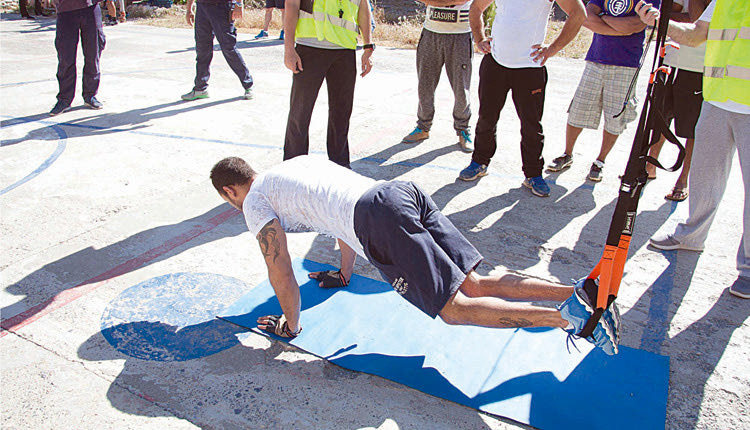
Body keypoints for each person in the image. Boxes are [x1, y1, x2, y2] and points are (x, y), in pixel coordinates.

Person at [209, 155, 621, 354]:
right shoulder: (293, 166)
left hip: (378, 220)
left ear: (230, 191)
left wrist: (289, 325)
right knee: (474, 281)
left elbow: (279, 270)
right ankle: (583, 290)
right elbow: (338, 212)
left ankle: (570, 318)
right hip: (399, 192)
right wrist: (344, 272)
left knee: (453, 308)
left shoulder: (254, 203)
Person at [637, 0, 750, 299]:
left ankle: (749, 269)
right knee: (705, 177)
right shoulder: (725, 3)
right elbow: (694, 35)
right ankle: (691, 236)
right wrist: (659, 21)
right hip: (716, 99)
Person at [458, 0, 586, 199]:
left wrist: (551, 49)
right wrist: (479, 38)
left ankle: (533, 174)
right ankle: (479, 163)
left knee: (531, 126)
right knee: (486, 119)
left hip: (530, 67)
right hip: (495, 63)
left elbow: (578, 14)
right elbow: (475, 8)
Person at [547, 0, 661, 182]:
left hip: (627, 64)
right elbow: (586, 18)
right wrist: (619, 27)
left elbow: (636, 25)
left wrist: (603, 18)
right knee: (579, 110)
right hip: (596, 59)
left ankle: (600, 161)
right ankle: (567, 154)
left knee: (615, 117)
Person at [282, 0, 373, 168]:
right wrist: (289, 48)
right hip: (310, 46)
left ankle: (340, 166)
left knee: (342, 113)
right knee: (300, 112)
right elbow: (292, 4)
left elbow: (362, 7)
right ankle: (293, 169)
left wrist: (368, 46)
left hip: (345, 48)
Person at [645, 0, 710, 202]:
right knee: (658, 119)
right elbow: (664, 13)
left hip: (699, 67)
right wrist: (677, 16)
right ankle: (649, 167)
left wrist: (680, 17)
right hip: (670, 59)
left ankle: (683, 180)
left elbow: (696, 19)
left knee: (692, 129)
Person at [400, 0, 474, 153]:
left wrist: (437, 2)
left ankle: (463, 129)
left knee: (461, 88)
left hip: (459, 35)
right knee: (425, 85)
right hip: (431, 34)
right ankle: (423, 127)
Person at [181, 0, 254, 101]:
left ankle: (248, 85)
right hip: (202, 7)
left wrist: (239, 4)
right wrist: (189, 9)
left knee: (229, 48)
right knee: (202, 49)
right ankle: (200, 88)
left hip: (222, 7)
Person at [49, 0, 106, 116]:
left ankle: (90, 95)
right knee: (66, 56)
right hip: (65, 10)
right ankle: (64, 99)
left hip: (90, 7)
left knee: (93, 53)